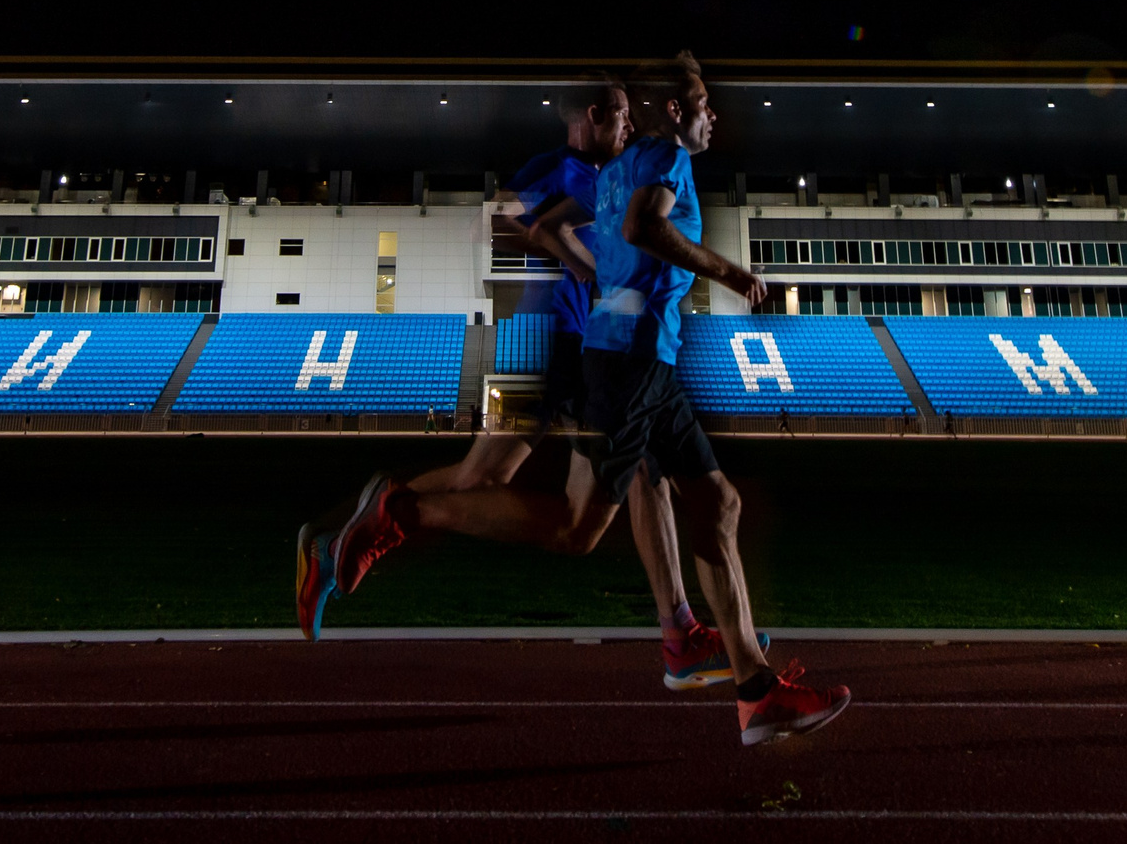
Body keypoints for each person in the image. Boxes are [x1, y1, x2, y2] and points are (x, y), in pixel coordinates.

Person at [313, 53, 850, 745]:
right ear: (672, 112)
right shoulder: (663, 161)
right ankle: (402, 510)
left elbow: (568, 232)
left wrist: (606, 284)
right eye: (700, 103)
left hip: (642, 361)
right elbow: (642, 229)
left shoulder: (620, 168)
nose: (712, 115)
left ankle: (750, 688)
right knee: (576, 526)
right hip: (625, 369)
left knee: (717, 503)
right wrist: (729, 272)